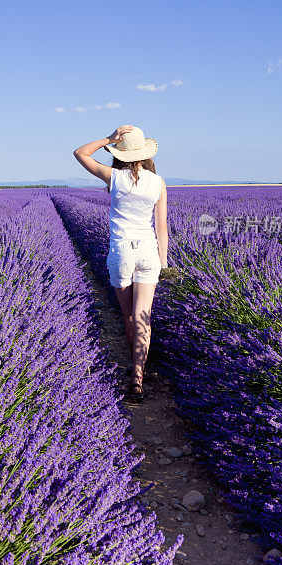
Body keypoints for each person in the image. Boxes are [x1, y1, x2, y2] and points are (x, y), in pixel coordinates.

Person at [73, 124, 168, 402]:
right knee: (143, 317)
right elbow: (161, 228)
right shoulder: (158, 182)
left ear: (121, 154)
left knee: (128, 316)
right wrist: (163, 264)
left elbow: (80, 153)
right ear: (146, 153)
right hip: (149, 253)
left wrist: (108, 139)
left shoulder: (113, 177)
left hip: (122, 253)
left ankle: (133, 367)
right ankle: (139, 372)